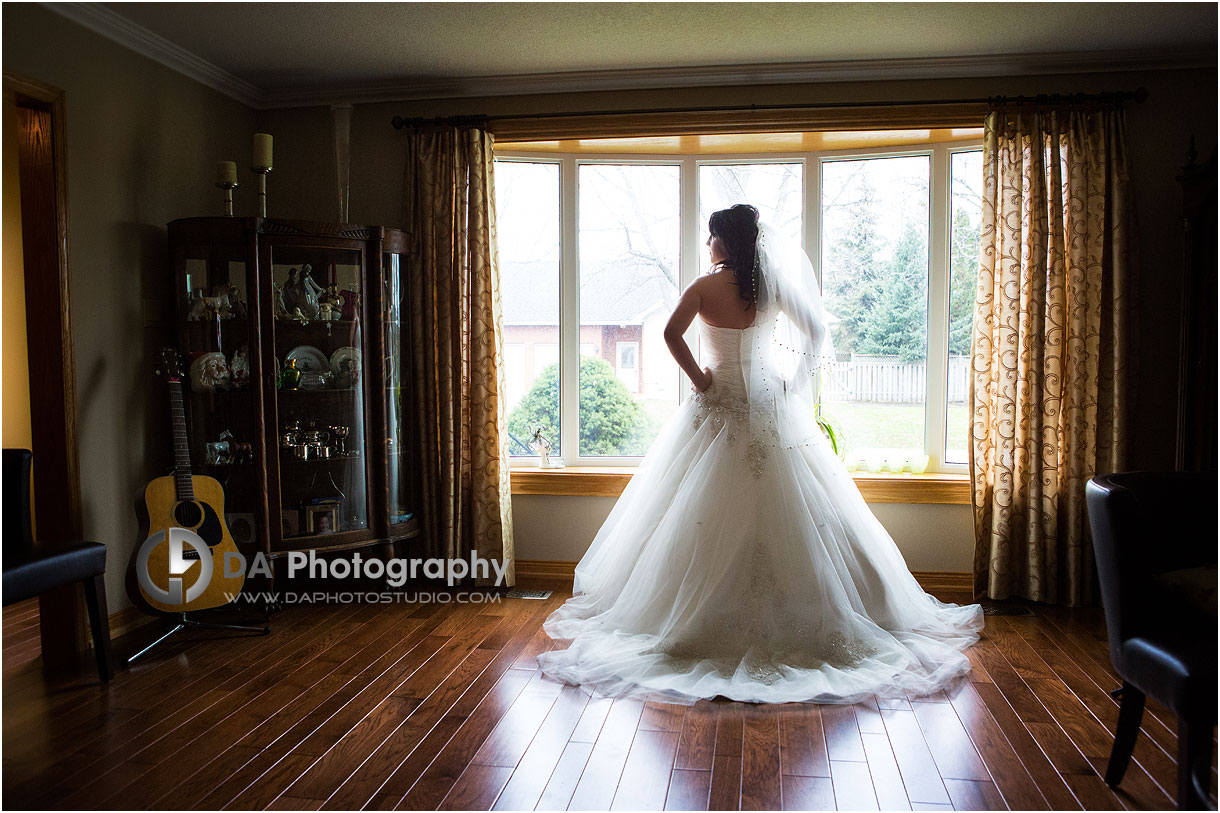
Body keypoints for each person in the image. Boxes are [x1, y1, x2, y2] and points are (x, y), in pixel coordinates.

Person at [538, 204, 983, 704]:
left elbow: (669, 335)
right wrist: (793, 385)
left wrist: (701, 378)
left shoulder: (704, 288)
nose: (708, 245)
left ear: (724, 242)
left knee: (696, 514)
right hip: (770, 404)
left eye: (712, 237)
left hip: (719, 403)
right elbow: (817, 332)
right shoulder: (768, 286)